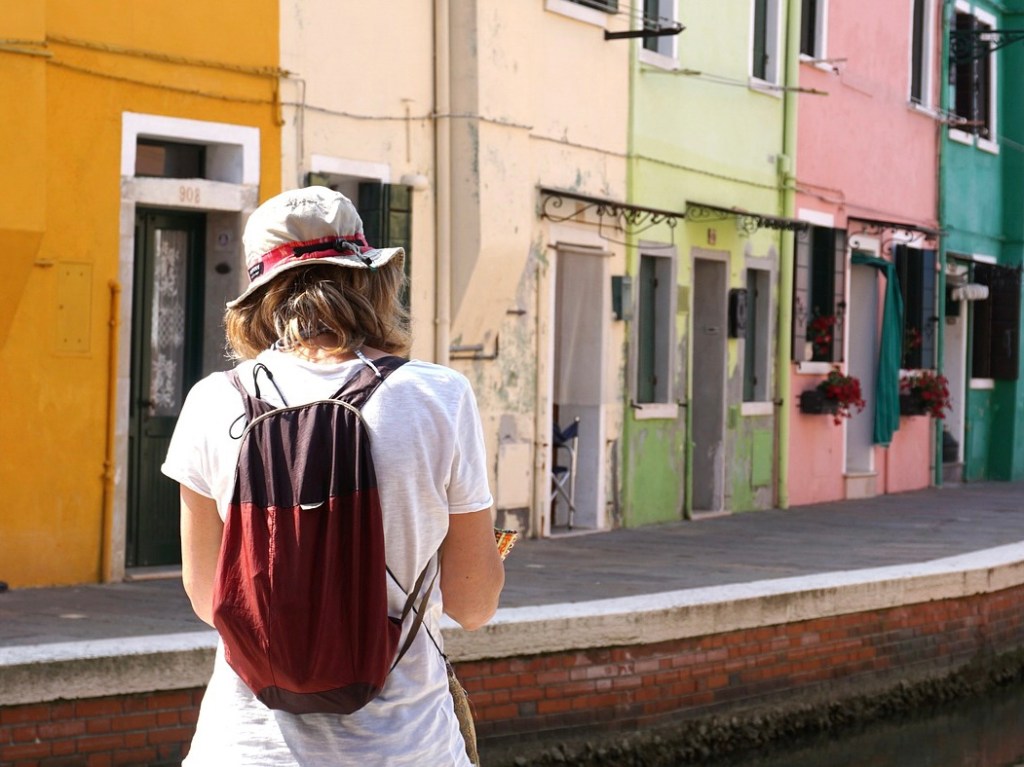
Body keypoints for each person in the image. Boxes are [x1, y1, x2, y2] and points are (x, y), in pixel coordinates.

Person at [161, 186, 505, 766]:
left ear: (257, 296)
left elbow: (208, 597)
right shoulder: (438, 395)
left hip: (242, 746)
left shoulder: (212, 400)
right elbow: (472, 604)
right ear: (369, 280)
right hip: (403, 746)